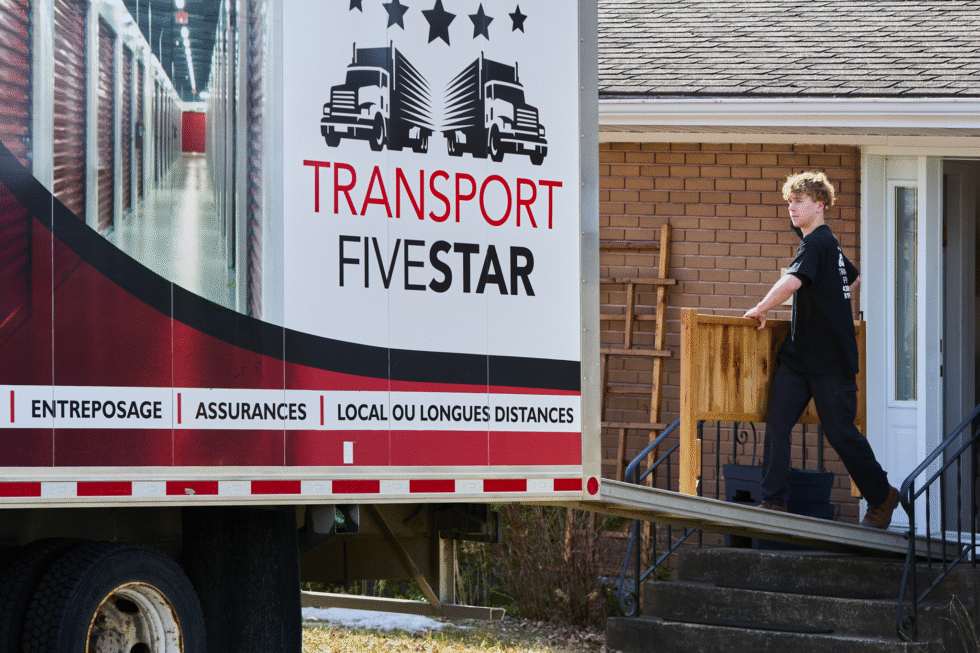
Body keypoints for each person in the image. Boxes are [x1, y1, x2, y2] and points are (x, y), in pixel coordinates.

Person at [743, 171, 899, 529]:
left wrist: (762, 307)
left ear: (820, 204)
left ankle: (882, 495)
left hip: (830, 360)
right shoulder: (827, 246)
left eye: (799, 201)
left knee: (841, 432)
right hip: (799, 357)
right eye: (789, 202)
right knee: (778, 423)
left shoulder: (817, 243)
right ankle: (773, 502)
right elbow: (853, 278)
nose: (791, 208)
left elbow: (793, 280)